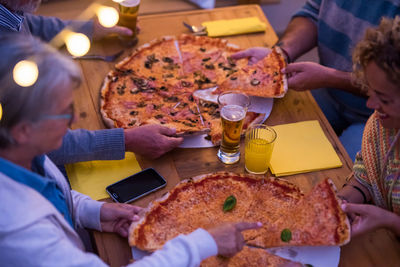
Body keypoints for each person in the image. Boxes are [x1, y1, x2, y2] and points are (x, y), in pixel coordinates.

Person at [0, 34, 262, 266]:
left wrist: (91, 212)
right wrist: (204, 243)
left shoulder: (21, 153)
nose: (74, 121)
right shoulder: (17, 231)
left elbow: (47, 192)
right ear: (23, 129)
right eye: (62, 112)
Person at [0, 0, 183, 166]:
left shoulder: (9, 10)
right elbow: (38, 143)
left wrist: (89, 29)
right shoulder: (7, 62)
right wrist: (126, 140)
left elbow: (27, 23)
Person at [233, 0, 400, 161]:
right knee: (260, 140)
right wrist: (280, 55)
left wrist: (329, 77)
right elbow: (312, 14)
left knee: (344, 172)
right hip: (327, 91)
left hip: (382, 116)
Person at [335, 16, 400, 237]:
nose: (370, 105)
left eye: (384, 98)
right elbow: (367, 176)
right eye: (370, 90)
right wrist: (342, 202)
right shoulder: (382, 128)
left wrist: (390, 221)